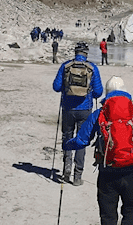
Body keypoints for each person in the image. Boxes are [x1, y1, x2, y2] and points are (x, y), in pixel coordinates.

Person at [64, 76, 133, 225]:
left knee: (108, 215)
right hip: (131, 170)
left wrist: (67, 145)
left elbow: (82, 140)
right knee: (131, 210)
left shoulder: (100, 113)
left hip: (107, 171)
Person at [53, 42, 103, 185]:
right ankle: (77, 176)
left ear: (75, 52)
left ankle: (66, 167)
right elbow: (98, 92)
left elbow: (56, 87)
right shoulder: (92, 68)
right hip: (85, 109)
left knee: (67, 137)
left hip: (68, 108)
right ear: (86, 53)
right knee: (81, 141)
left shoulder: (66, 66)